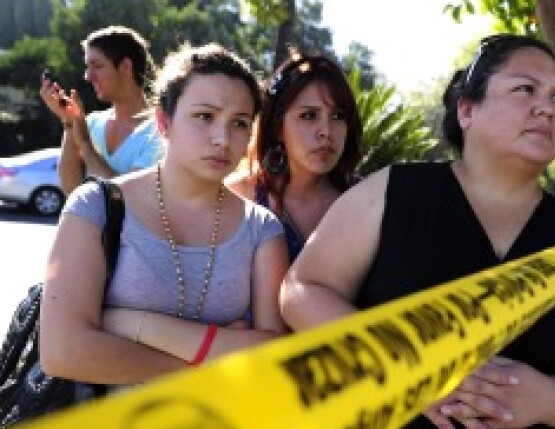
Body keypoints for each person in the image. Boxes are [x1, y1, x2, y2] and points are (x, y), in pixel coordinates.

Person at [280, 34, 555, 429]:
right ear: (467, 111)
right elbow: (302, 290)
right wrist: (406, 363)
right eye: (525, 90)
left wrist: (548, 399)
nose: (547, 108)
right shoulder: (395, 192)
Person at [40, 43, 288, 384]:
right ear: (163, 120)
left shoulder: (261, 229)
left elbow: (274, 356)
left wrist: (132, 324)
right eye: (204, 116)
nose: (222, 138)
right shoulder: (95, 205)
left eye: (240, 123)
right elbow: (62, 352)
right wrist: (216, 358)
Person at [226, 50, 363, 262]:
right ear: (278, 127)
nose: (326, 131)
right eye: (309, 115)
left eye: (338, 116)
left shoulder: (363, 199)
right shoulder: (239, 197)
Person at [39, 25, 164, 196]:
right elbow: (71, 189)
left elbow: (126, 198)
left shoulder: (160, 131)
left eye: (96, 66)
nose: (88, 76)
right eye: (87, 67)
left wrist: (85, 145)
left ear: (126, 67)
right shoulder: (92, 123)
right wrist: (69, 122)